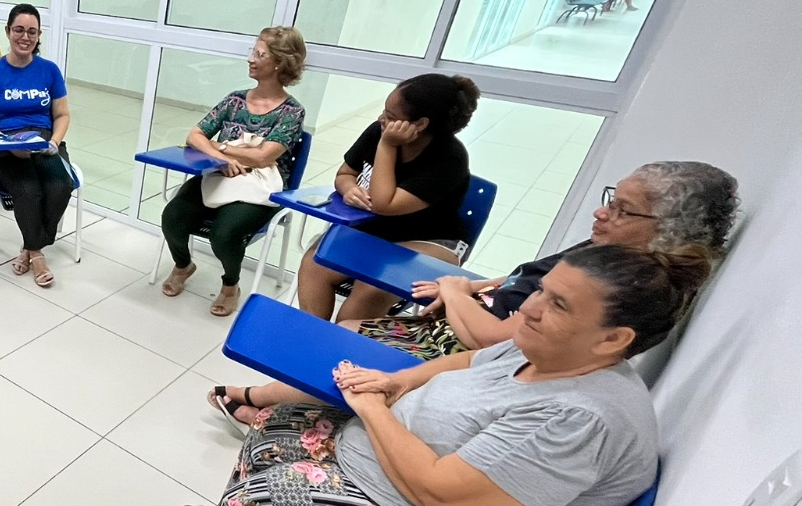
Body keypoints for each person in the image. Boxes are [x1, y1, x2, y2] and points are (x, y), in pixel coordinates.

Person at [146, 244, 710, 506]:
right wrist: (395, 385)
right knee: (279, 420)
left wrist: (370, 409)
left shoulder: (580, 418)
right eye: (542, 290)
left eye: (559, 305)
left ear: (614, 340)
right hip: (400, 476)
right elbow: (467, 360)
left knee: (257, 502)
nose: (531, 308)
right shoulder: (545, 348)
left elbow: (441, 493)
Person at [209, 160, 738, 423]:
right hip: (463, 316)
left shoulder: (625, 285)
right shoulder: (612, 255)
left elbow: (498, 340)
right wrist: (477, 287)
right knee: (345, 319)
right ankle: (278, 404)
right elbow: (524, 282)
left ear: (669, 228)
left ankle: (262, 401)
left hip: (470, 349)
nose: (603, 212)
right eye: (610, 199)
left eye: (623, 209)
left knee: (347, 340)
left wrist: (458, 290)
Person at [295, 74, 480, 325]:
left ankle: (341, 349)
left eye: (392, 117)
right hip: (379, 230)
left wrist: (387, 145)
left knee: (371, 286)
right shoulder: (378, 129)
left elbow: (385, 204)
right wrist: (348, 188)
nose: (382, 119)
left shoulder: (449, 159)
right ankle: (311, 336)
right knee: (314, 263)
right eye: (384, 111)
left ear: (421, 124)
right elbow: (345, 173)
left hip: (432, 240)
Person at [159, 27, 307, 318]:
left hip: (260, 186)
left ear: (279, 62)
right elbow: (195, 135)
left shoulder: (292, 111)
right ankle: (183, 265)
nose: (251, 59)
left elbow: (265, 157)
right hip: (218, 174)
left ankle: (230, 286)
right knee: (172, 217)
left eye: (259, 54)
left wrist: (221, 147)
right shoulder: (235, 99)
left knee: (224, 234)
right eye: (253, 52)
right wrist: (220, 157)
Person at [0, 4, 73, 288]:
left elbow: (63, 114)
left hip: (42, 140)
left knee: (60, 185)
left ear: (39, 34)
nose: (25, 37)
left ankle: (29, 247)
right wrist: (8, 144)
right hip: (4, 142)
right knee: (28, 189)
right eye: (19, 30)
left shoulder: (49, 71)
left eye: (32, 31)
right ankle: (38, 254)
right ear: (8, 31)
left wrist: (54, 141)